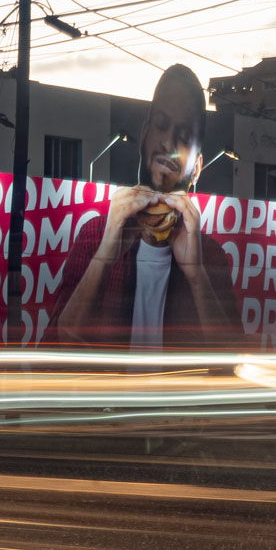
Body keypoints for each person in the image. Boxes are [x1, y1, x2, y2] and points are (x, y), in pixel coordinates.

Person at [51, 65, 240, 349]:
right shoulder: (95, 235)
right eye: (161, 125)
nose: (168, 143)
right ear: (144, 136)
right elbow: (59, 340)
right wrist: (104, 257)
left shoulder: (210, 256)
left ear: (198, 167)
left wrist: (197, 275)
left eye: (185, 136)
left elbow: (231, 358)